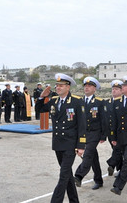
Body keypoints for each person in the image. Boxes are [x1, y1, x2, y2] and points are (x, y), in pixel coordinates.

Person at [36, 73, 86, 203]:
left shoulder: (76, 101)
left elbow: (82, 125)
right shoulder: (54, 101)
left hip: (70, 143)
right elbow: (40, 110)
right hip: (58, 143)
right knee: (68, 175)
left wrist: (81, 146)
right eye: (56, 85)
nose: (58, 88)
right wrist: (42, 96)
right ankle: (74, 201)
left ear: (68, 87)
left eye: (61, 86)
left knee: (63, 176)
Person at [74, 77, 107, 190]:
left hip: (94, 133)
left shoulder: (99, 102)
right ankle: (98, 180)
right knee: (93, 158)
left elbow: (103, 119)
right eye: (85, 86)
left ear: (94, 89)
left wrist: (103, 135)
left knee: (88, 153)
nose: (86, 87)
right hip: (83, 134)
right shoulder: (79, 101)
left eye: (89, 86)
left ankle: (78, 175)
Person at [106, 80, 124, 177]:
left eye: (116, 89)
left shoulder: (123, 102)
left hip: (120, 131)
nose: (114, 91)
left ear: (121, 91)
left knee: (118, 149)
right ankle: (120, 169)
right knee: (117, 150)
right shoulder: (107, 102)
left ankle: (112, 164)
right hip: (110, 131)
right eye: (113, 89)